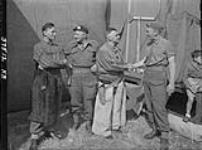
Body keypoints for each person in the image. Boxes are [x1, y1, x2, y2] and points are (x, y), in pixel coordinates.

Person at [132, 22, 175, 150]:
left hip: (159, 75)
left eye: (148, 30)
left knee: (159, 106)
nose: (146, 32)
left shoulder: (166, 43)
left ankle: (164, 135)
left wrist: (172, 82)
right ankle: (155, 129)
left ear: (156, 31)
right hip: (148, 75)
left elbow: (172, 63)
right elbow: (145, 61)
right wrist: (132, 65)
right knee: (149, 105)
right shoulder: (149, 44)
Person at [28, 22, 68, 150]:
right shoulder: (38, 46)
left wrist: (58, 62)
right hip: (42, 80)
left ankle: (49, 129)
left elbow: (64, 62)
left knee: (54, 105)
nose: (54, 34)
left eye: (55, 32)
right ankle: (34, 137)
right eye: (52, 32)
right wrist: (59, 62)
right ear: (44, 32)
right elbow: (45, 63)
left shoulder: (58, 47)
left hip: (55, 80)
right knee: (39, 107)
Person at [92, 28, 131, 138]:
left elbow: (121, 62)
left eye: (118, 35)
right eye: (115, 35)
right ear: (108, 37)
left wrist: (126, 66)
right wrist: (130, 66)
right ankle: (102, 130)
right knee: (104, 106)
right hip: (106, 82)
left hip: (118, 81)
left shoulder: (117, 50)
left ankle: (115, 126)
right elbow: (111, 66)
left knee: (117, 105)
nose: (118, 37)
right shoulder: (103, 50)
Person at [64, 25, 98, 134]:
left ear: (85, 34)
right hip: (75, 75)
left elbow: (101, 59)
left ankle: (88, 123)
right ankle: (76, 122)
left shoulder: (94, 46)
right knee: (75, 101)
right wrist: (69, 76)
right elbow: (66, 61)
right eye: (74, 34)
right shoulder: (71, 46)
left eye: (77, 34)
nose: (75, 36)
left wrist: (97, 65)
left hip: (89, 75)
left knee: (88, 100)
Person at [183, 50, 202, 122]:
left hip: (200, 83)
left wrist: (199, 86)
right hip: (190, 82)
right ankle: (187, 115)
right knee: (190, 99)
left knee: (200, 100)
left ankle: (198, 117)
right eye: (200, 58)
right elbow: (184, 78)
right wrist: (190, 87)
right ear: (195, 58)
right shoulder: (188, 65)